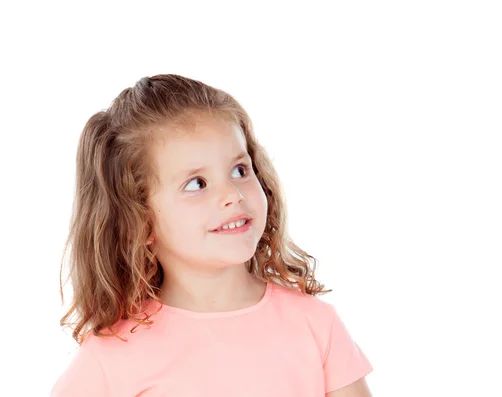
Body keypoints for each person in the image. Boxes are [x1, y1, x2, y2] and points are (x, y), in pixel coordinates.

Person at [50, 74, 373, 396]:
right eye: (196, 184)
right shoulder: (114, 354)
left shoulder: (314, 323)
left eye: (239, 170)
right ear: (140, 221)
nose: (232, 193)